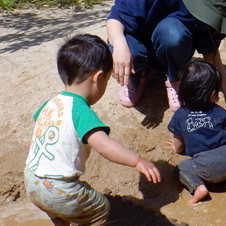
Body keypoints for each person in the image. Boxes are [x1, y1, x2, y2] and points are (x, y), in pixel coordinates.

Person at [24, 34, 161, 226]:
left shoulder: (51, 103)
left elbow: (40, 122)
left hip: (31, 180)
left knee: (58, 210)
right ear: (98, 78)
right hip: (59, 188)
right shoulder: (81, 111)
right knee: (100, 208)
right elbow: (104, 146)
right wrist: (137, 160)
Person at [106, 0, 226, 114]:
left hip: (170, 52)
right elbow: (116, 18)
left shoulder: (214, 19)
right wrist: (119, 45)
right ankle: (138, 76)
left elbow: (210, 49)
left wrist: (225, 86)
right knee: (133, 50)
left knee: (172, 32)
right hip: (136, 44)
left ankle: (174, 78)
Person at [165, 58, 226, 203]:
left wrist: (175, 147)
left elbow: (179, 147)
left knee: (180, 168)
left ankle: (198, 187)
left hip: (206, 168)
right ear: (213, 93)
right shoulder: (219, 111)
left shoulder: (180, 116)